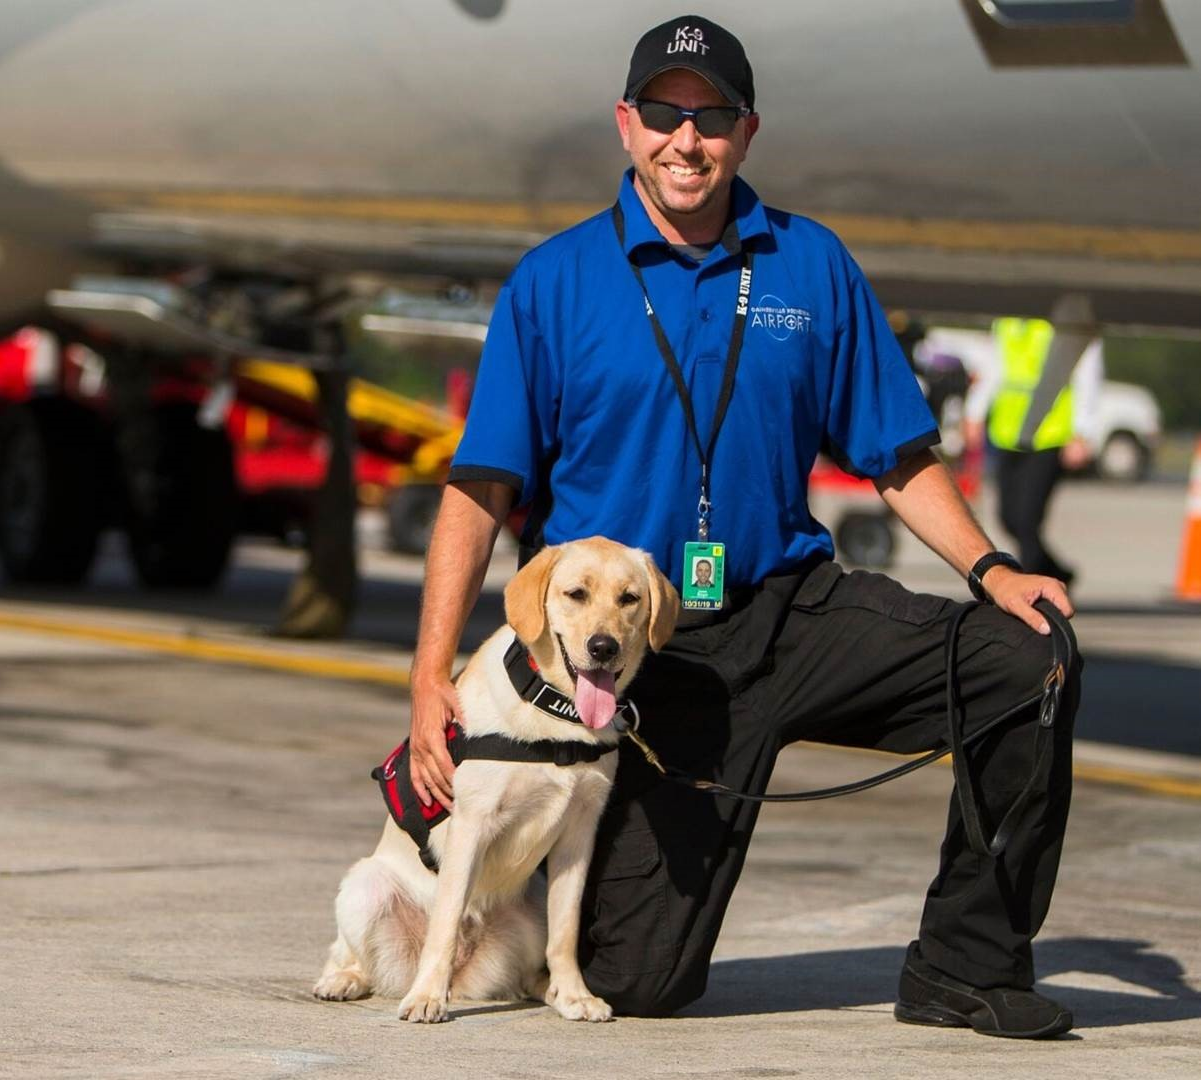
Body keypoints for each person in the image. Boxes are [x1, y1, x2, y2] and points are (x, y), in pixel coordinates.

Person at [408, 15, 1082, 1038]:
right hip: (643, 657)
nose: (688, 139)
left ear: (746, 130)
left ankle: (966, 965)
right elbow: (478, 490)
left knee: (1024, 660)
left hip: (791, 610)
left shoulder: (808, 266)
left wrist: (992, 569)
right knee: (635, 984)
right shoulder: (554, 281)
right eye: (666, 115)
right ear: (626, 125)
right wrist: (429, 677)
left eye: (711, 116)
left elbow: (896, 455)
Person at [963, 299, 1104, 584]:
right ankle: (1059, 572)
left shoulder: (1062, 320)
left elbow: (1087, 372)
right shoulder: (1006, 321)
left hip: (1049, 434)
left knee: (1027, 520)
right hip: (1008, 432)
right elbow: (993, 370)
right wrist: (974, 413)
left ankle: (1031, 587)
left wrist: (1083, 432)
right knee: (1008, 518)